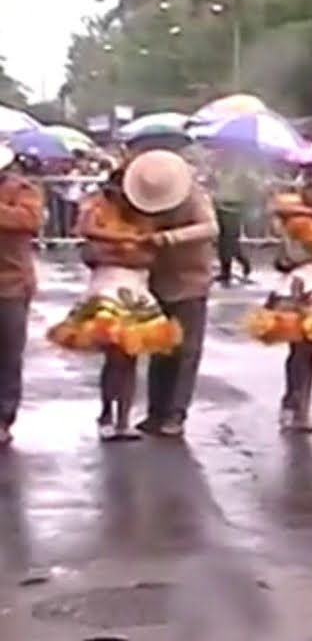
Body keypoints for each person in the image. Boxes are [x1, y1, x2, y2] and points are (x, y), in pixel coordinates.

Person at [50, 152, 187, 440]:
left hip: (137, 289)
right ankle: (107, 413)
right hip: (107, 288)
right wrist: (126, 243)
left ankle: (122, 418)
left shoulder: (149, 215)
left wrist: (125, 249)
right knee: (115, 356)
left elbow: (148, 255)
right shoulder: (98, 209)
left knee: (130, 355)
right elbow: (87, 233)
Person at [245, 166, 312, 433]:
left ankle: (295, 407)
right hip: (305, 285)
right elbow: (281, 211)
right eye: (310, 185)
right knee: (301, 352)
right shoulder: (300, 217)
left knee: (303, 353)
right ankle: (297, 410)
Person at [138, 151, 218, 439]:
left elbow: (210, 227)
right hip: (158, 278)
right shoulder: (143, 199)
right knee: (160, 348)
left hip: (192, 279)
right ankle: (155, 410)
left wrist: (170, 237)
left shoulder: (194, 196)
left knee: (186, 350)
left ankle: (176, 413)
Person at [0, 148, 44, 448]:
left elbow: (29, 220)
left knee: (7, 355)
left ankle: (3, 418)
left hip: (10, 285)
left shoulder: (22, 190)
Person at [209, 153, 258, 285]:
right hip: (219, 206)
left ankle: (243, 262)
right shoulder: (219, 171)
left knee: (231, 240)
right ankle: (225, 271)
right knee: (222, 241)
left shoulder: (242, 170)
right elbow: (213, 186)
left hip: (234, 208)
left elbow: (254, 185)